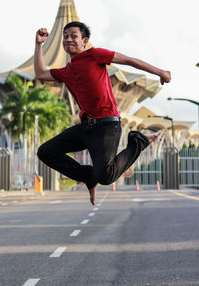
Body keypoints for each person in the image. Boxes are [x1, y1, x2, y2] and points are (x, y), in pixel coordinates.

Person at [34, 21, 171, 205]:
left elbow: (130, 60)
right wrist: (39, 44)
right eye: (65, 36)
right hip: (86, 127)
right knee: (46, 152)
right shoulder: (67, 71)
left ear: (85, 41)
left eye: (73, 36)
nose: (68, 39)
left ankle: (140, 140)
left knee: (106, 177)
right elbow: (40, 73)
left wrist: (160, 72)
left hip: (107, 125)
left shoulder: (94, 54)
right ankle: (88, 177)